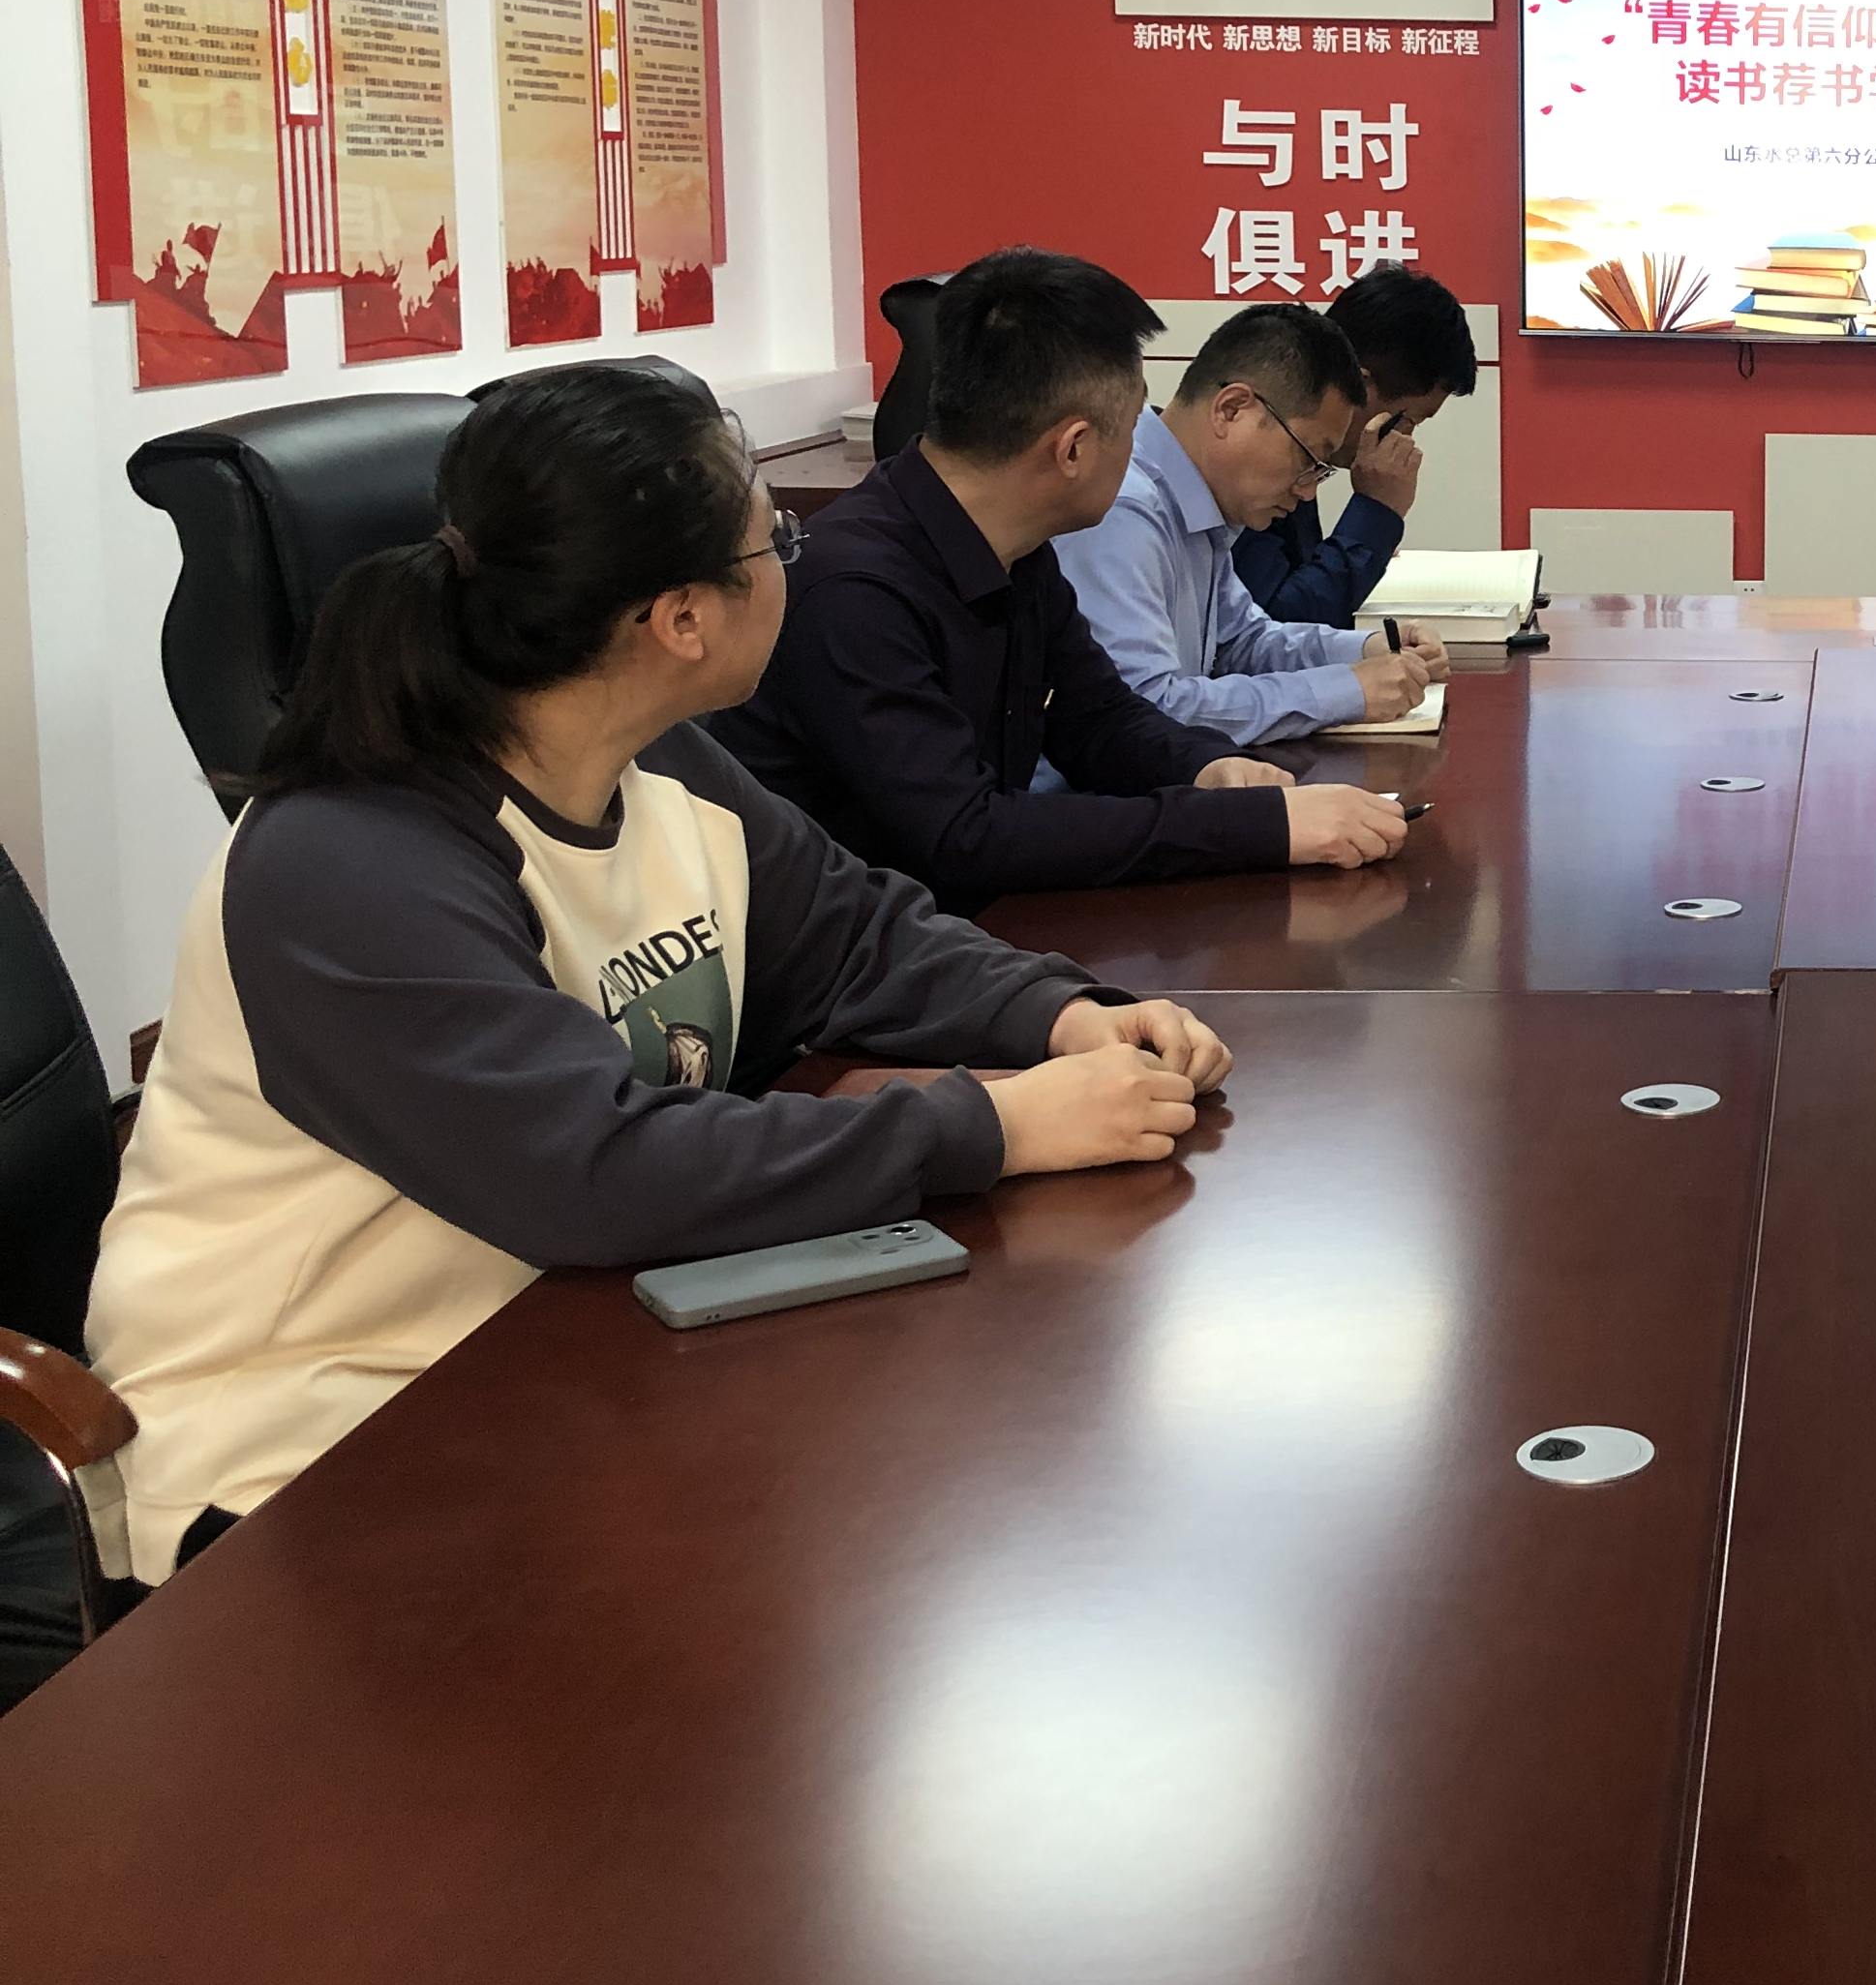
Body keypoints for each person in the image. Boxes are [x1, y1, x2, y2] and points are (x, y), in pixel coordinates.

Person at [82, 363, 1233, 1583]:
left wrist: (1060, 1014)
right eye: (776, 540)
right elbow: (597, 1169)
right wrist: (994, 1126)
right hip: (298, 1457)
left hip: (564, 1358)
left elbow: (861, 934)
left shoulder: (659, 762)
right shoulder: (352, 860)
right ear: (682, 619)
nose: (794, 563)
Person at [715, 250, 1407, 913]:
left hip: (960, 930)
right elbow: (966, 836)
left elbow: (1098, 718)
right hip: (855, 961)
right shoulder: (856, 590)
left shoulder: (1018, 551)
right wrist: (1249, 829)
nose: (1141, 452)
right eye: (1130, 429)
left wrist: (1208, 770)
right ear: (1073, 448)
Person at [1061, 303, 1448, 753]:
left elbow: (1243, 641)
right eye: (1308, 458)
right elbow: (1144, 710)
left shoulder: (1198, 500)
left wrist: (1367, 649)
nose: (1307, 490)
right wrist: (1345, 691)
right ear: (1232, 409)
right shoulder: (1123, 508)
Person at [1231, 265, 1478, 628]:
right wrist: (1376, 512)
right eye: (1408, 419)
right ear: (1357, 385)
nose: (1404, 438)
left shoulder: (1301, 454)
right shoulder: (1256, 458)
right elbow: (1278, 627)